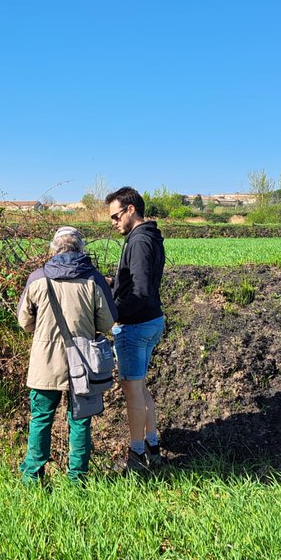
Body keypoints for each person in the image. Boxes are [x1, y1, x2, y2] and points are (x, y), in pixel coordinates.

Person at [17, 227, 117, 486]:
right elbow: (107, 323)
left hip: (44, 361)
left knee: (40, 419)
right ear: (81, 249)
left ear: (53, 249)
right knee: (81, 421)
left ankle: (32, 477)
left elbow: (24, 321)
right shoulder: (93, 279)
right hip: (83, 362)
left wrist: (41, 331)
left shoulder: (37, 278)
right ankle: (77, 479)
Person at [106, 187, 166, 475]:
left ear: (131, 210)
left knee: (132, 393)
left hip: (136, 325)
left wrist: (114, 316)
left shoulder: (139, 241)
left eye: (116, 216)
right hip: (151, 321)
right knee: (141, 389)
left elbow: (140, 291)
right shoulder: (149, 236)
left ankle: (136, 455)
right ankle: (153, 448)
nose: (114, 222)